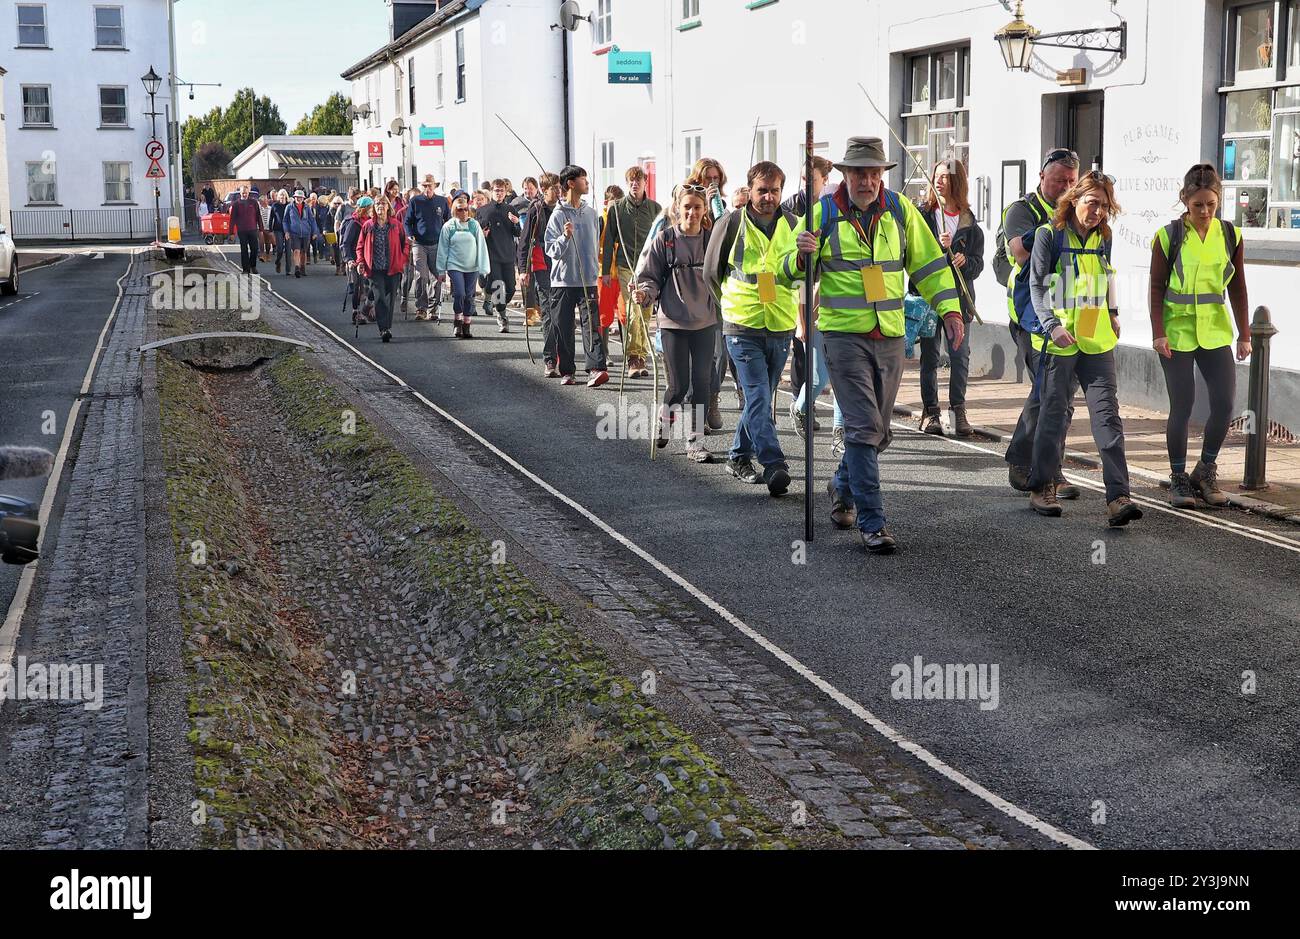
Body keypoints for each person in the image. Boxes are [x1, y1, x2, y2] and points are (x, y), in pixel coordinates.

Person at [785, 136, 965, 554]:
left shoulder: (900, 211)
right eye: (858, 172)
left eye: (872, 172)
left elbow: (928, 265)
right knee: (864, 428)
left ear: (881, 175)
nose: (866, 180)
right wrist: (800, 255)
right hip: (842, 337)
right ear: (845, 175)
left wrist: (950, 310)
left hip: (889, 336)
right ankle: (873, 523)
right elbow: (786, 270)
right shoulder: (821, 213)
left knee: (878, 433)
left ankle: (842, 487)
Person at [1025, 172, 1141, 527]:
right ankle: (1042, 486)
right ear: (1074, 199)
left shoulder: (1103, 235)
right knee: (1054, 414)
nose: (1098, 212)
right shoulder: (1049, 235)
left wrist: (1114, 313)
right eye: (1092, 203)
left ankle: (1118, 496)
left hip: (1096, 338)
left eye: (1104, 206)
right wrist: (1052, 326)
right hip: (1058, 340)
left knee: (1107, 417)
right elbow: (1038, 286)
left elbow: (1107, 275)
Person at [1149, 163, 1251, 509]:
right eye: (1198, 205)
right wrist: (1158, 332)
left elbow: (1237, 286)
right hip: (1176, 332)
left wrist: (1244, 333)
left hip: (1214, 330)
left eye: (1211, 204)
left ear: (1218, 200)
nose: (1205, 211)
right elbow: (1156, 286)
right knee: (1183, 405)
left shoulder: (1231, 235)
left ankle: (1204, 471)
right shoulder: (1168, 236)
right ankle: (1178, 478)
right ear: (1185, 200)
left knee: (1224, 404)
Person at [703, 160, 800, 497]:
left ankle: (737, 456)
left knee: (759, 400)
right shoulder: (731, 223)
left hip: (781, 324)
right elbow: (711, 274)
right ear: (750, 190)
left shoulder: (794, 225)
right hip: (741, 325)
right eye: (762, 190)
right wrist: (730, 306)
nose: (768, 197)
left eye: (774, 190)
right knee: (758, 394)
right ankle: (774, 463)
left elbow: (802, 273)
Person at [1000, 148, 1083, 499]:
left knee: (1057, 395)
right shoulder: (1022, 210)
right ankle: (1038, 466)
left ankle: (1039, 464)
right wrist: (1058, 226)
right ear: (1041, 177)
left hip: (1069, 315)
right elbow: (1021, 252)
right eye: (1059, 180)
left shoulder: (1079, 211)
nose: (1065, 187)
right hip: (1031, 315)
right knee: (1050, 393)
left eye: (1071, 181)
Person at [635, 184, 716, 463]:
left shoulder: (712, 240)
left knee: (702, 383)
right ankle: (665, 418)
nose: (692, 212)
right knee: (679, 385)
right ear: (677, 209)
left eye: (697, 207)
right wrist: (645, 293)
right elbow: (650, 276)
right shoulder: (665, 240)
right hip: (673, 321)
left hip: (706, 321)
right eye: (687, 207)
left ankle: (696, 442)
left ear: (704, 210)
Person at [915, 156, 983, 437]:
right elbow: (914, 255)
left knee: (959, 356)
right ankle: (930, 411)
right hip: (931, 298)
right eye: (937, 176)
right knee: (930, 356)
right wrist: (937, 249)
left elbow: (978, 265)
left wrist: (962, 258)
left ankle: (958, 412)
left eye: (945, 176)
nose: (939, 181)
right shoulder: (923, 215)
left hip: (960, 300)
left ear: (958, 181)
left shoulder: (969, 221)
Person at [783, 155, 836, 435]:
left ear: (824, 181)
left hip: (838, 301)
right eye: (804, 179)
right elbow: (795, 270)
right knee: (811, 370)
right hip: (807, 296)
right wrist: (800, 316)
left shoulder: (834, 207)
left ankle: (841, 431)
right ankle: (800, 403)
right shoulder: (791, 209)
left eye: (811, 180)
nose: (806, 185)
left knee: (840, 373)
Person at [545, 165, 608, 387]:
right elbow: (550, 250)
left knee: (591, 325)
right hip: (562, 281)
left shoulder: (591, 214)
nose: (587, 182)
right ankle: (567, 371)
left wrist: (596, 271)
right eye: (583, 179)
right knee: (564, 326)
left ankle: (596, 368)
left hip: (588, 280)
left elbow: (594, 244)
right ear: (571, 183)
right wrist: (564, 236)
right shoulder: (557, 215)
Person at [602, 166, 662, 380]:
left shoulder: (655, 209)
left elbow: (661, 239)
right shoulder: (616, 209)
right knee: (633, 311)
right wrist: (605, 270)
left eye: (638, 180)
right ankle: (634, 357)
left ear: (645, 183)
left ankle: (642, 355)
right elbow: (609, 240)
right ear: (627, 184)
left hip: (649, 268)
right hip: (626, 266)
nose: (635, 184)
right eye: (631, 181)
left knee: (645, 313)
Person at [518, 172, 562, 374]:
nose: (559, 191)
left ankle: (564, 356)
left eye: (560, 187)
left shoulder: (564, 208)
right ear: (545, 190)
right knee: (548, 312)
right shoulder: (536, 209)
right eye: (555, 188)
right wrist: (523, 270)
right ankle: (550, 359)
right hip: (542, 264)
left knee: (562, 314)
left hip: (564, 265)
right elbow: (525, 241)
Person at [436, 190, 490, 339]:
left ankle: (467, 324)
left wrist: (484, 267)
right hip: (454, 265)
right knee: (459, 293)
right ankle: (457, 321)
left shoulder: (474, 225)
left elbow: (481, 246)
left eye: (466, 209)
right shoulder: (449, 226)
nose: (464, 212)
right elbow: (442, 249)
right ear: (455, 210)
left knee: (469, 296)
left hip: (471, 266)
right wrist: (441, 270)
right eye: (460, 209)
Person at [356, 197, 410, 343]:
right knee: (380, 298)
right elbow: (360, 246)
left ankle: (387, 326)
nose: (380, 206)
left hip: (393, 267)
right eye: (378, 204)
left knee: (391, 298)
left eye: (383, 203)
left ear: (388, 207)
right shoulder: (368, 226)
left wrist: (402, 258)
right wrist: (360, 261)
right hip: (374, 269)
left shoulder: (396, 225)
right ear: (374, 207)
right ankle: (383, 329)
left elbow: (405, 243)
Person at [477, 179, 522, 332]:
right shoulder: (482, 210)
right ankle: (502, 316)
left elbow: (518, 233)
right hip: (491, 255)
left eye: (502, 191)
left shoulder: (511, 209)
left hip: (508, 255)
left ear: (505, 192)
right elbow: (477, 234)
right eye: (496, 190)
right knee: (497, 286)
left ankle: (497, 304)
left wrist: (516, 223)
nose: (499, 193)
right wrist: (482, 234)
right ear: (491, 191)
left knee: (510, 288)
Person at [406, 174, 451, 322]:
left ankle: (433, 307)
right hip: (419, 243)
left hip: (437, 243)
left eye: (429, 185)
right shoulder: (415, 201)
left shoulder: (442, 201)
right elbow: (408, 222)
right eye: (424, 185)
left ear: (435, 186)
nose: (427, 188)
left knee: (437, 277)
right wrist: (410, 234)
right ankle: (421, 308)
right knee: (421, 275)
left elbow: (448, 220)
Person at [341, 196, 372, 324]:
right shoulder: (354, 223)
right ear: (365, 209)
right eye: (371, 208)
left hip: (370, 258)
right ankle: (356, 312)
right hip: (356, 259)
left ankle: (368, 307)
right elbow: (346, 243)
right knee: (358, 287)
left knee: (373, 287)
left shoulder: (372, 222)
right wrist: (348, 260)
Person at [228, 184, 265, 274]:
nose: (244, 194)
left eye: (246, 193)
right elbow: (232, 219)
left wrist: (261, 229)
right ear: (240, 193)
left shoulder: (254, 202)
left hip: (252, 229)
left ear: (248, 193)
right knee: (244, 250)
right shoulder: (236, 204)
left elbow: (258, 216)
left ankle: (253, 266)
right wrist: (231, 233)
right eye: (243, 193)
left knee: (255, 249)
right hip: (242, 230)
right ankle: (245, 269)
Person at [284, 189, 320, 278]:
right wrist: (286, 231)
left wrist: (314, 231)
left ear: (303, 198)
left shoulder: (307, 207)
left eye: (300, 197)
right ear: (294, 197)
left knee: (303, 251)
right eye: (297, 197)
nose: (299, 199)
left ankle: (302, 267)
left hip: (306, 232)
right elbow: (285, 221)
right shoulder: (289, 207)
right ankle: (297, 268)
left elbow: (312, 220)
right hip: (294, 232)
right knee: (296, 250)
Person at [334, 188, 358, 275]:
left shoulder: (360, 207)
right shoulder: (343, 206)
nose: (355, 200)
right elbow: (337, 221)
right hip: (345, 233)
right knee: (345, 252)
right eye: (353, 197)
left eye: (357, 197)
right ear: (349, 196)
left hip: (357, 233)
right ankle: (343, 268)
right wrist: (337, 233)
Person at [270, 189, 289, 275]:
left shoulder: (289, 205)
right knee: (280, 249)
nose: (282, 196)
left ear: (286, 196)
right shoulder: (275, 205)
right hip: (278, 229)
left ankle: (288, 270)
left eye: (283, 195)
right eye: (280, 195)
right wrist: (270, 229)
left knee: (288, 250)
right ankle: (278, 262)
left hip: (288, 230)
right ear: (278, 196)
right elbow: (271, 218)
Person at [258, 192, 274, 262]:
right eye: (263, 201)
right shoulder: (258, 209)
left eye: (266, 200)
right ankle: (262, 255)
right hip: (260, 228)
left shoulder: (270, 208)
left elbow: (273, 218)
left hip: (268, 227)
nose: (265, 201)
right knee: (261, 240)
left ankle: (268, 255)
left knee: (268, 242)